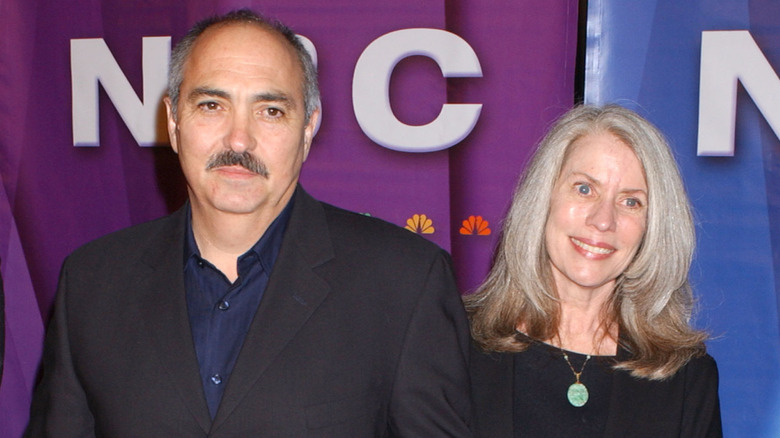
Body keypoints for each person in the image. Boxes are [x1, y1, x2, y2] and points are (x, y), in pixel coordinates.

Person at [26, 9, 472, 437]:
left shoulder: (404, 282)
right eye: (212, 105)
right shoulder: (92, 282)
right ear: (175, 122)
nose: (239, 139)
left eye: (270, 111)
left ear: (308, 128)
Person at [464, 105, 721, 437]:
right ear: (543, 198)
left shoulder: (685, 378)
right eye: (584, 189)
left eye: (631, 202)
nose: (603, 220)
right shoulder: (455, 344)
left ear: (652, 226)